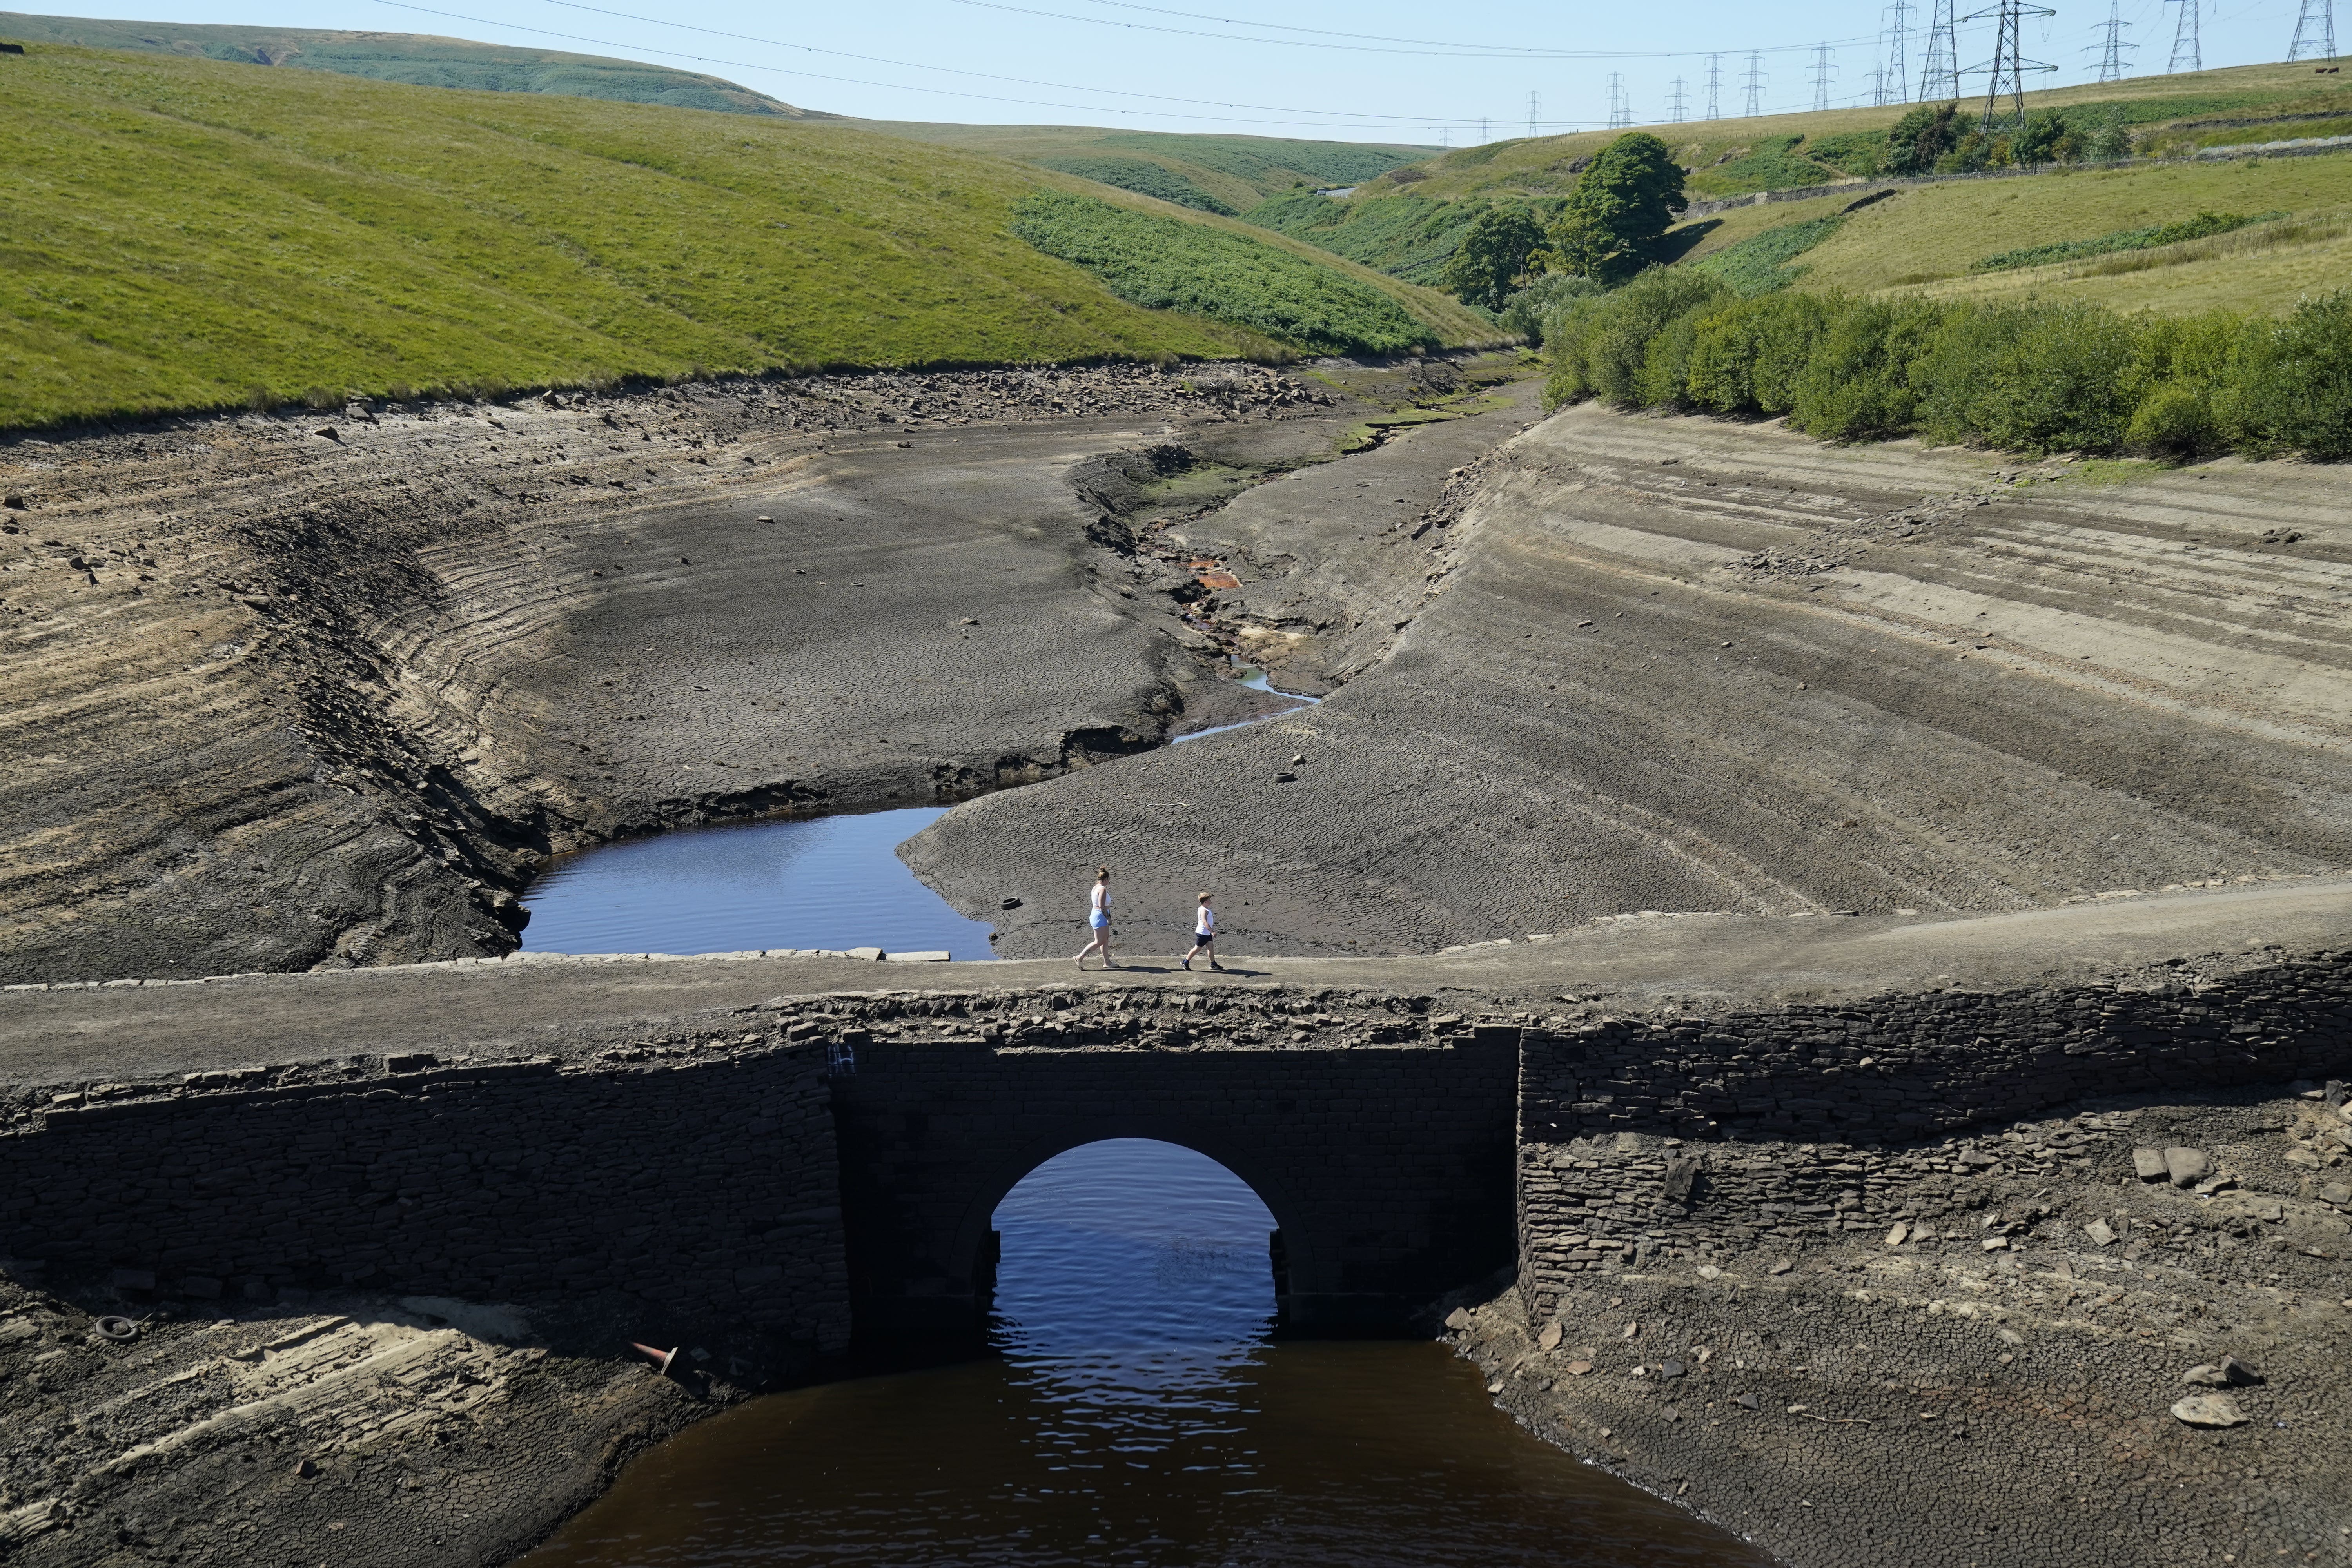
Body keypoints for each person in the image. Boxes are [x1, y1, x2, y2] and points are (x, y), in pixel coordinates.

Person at [1074, 866, 1116, 969]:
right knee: (1099, 941)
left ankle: (1107, 962)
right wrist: (1109, 919)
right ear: (1106, 879)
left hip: (1097, 915)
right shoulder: (1102, 890)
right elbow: (1102, 908)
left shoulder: (1095, 887)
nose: (1109, 883)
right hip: (1100, 916)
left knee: (1105, 940)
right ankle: (1080, 957)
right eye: (1109, 880)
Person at [1181, 891, 1224, 971]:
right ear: (1205, 902)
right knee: (1197, 949)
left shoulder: (1205, 909)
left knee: (1211, 948)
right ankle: (1185, 962)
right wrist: (1212, 931)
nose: (1211, 901)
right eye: (1209, 900)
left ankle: (1213, 964)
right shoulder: (1204, 911)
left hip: (1206, 933)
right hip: (1202, 933)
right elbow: (1205, 922)